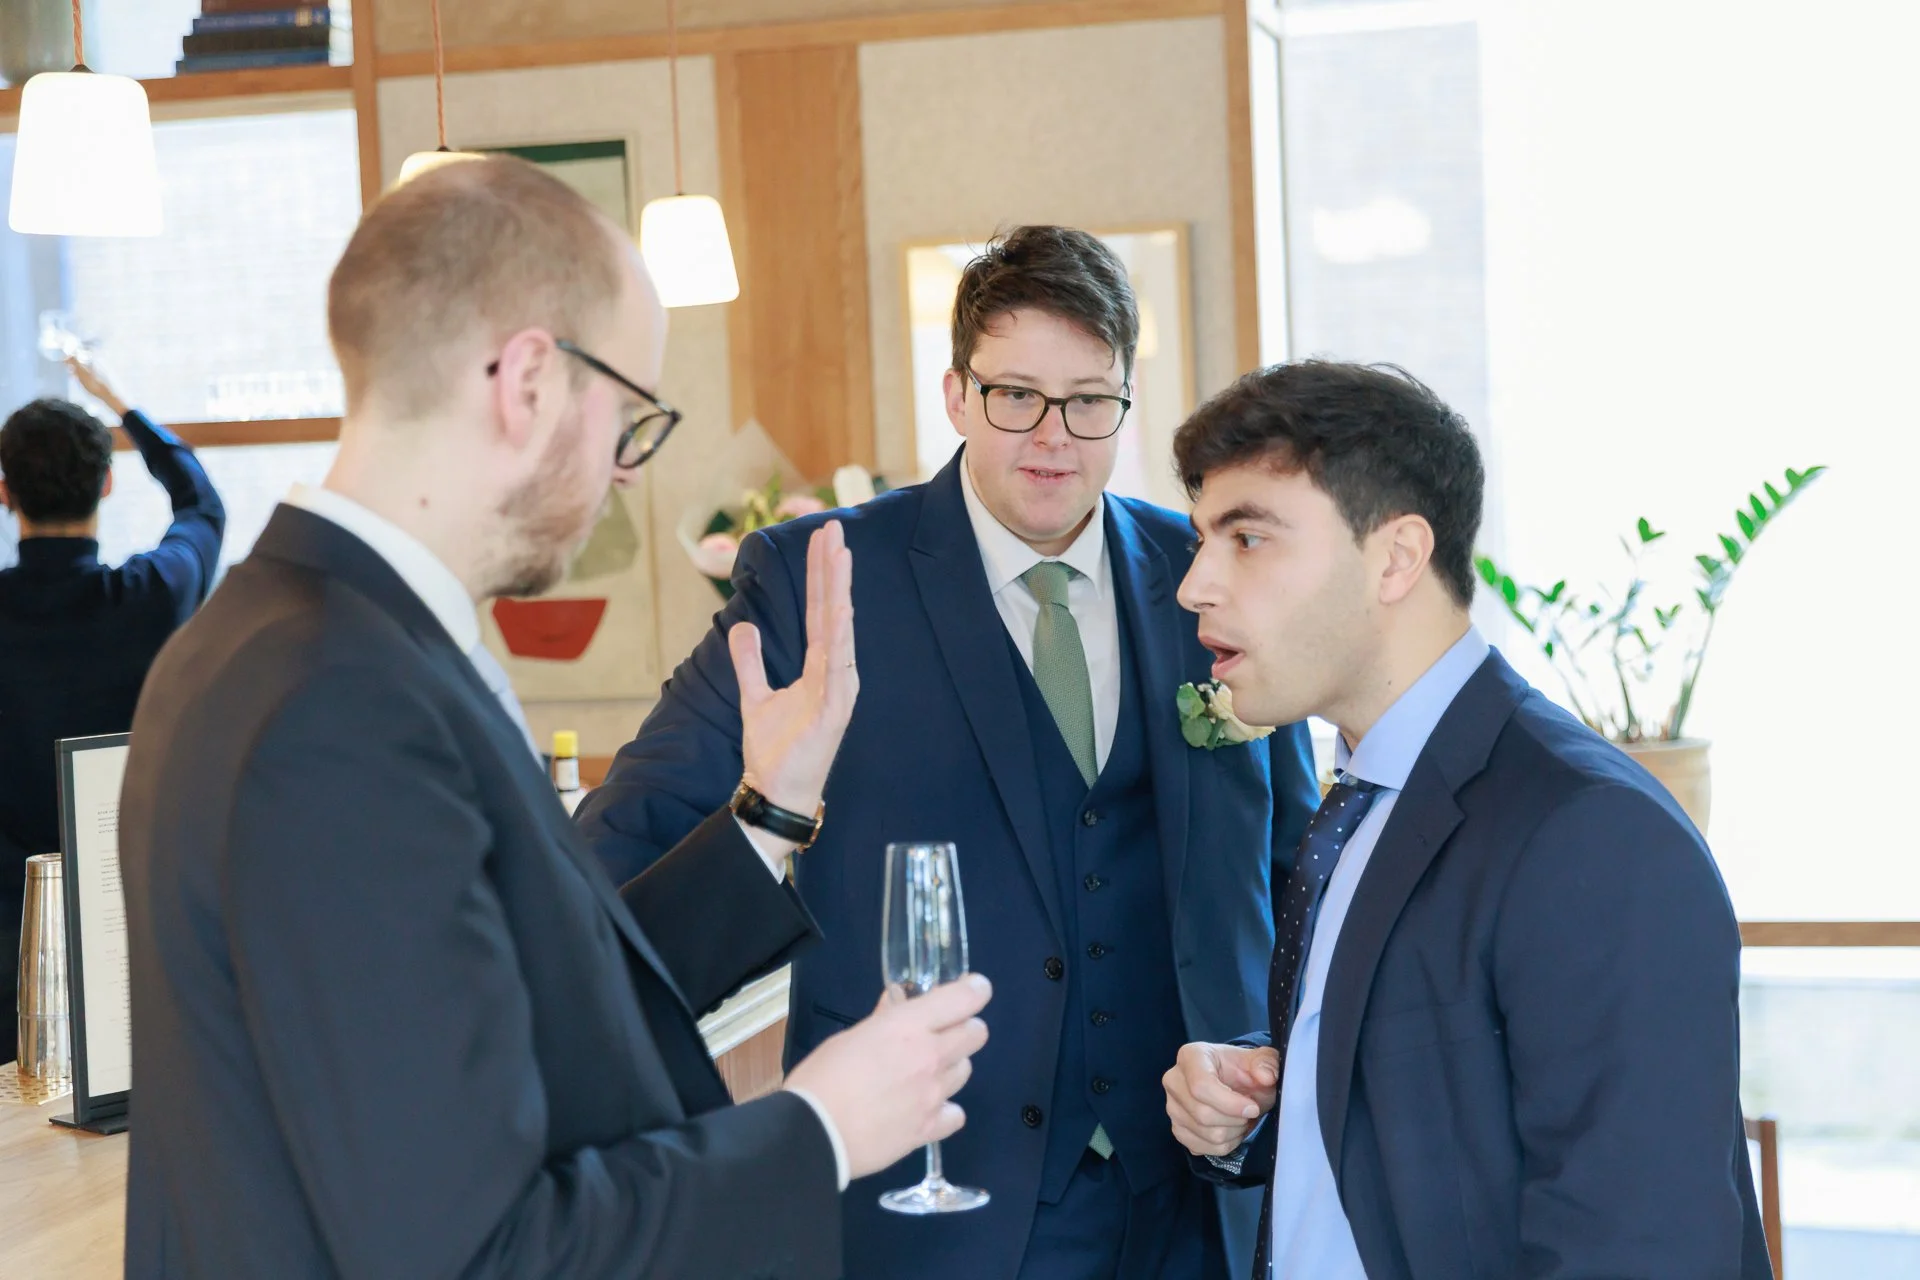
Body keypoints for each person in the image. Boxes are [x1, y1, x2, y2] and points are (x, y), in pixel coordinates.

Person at [118, 155, 990, 1278]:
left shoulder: (313, 639)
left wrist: (771, 808)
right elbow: (475, 1248)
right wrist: (819, 1125)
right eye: (630, 418)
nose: (628, 475)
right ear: (529, 381)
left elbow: (535, 1001)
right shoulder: (336, 707)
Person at [578, 226, 1320, 1280]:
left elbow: (1301, 882)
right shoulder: (816, 581)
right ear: (956, 393)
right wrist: (765, 804)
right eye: (1015, 393)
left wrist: (1269, 1073)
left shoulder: (1206, 575)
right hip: (932, 1201)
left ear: (1127, 399)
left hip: (1194, 1207)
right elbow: (610, 866)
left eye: (1088, 400)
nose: (1052, 436)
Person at [1161, 361, 1769, 1279]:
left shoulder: (1593, 833)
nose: (1195, 584)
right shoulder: (1359, 799)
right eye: (1204, 537)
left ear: (1397, 557)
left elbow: (1644, 1245)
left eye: (1247, 538)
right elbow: (1436, 1097)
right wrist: (1253, 1099)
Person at [0, 362, 223, 1063]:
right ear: (107, 484)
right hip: (120, 920)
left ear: (5, 495)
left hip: (4, 924)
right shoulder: (149, 596)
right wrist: (124, 409)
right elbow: (202, 510)